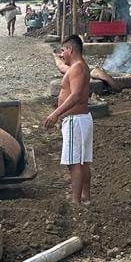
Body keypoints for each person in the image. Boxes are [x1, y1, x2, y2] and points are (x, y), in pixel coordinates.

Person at [45, 34, 93, 205]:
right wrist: (56, 58)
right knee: (82, 161)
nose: (62, 53)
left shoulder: (77, 69)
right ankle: (85, 197)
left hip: (74, 120)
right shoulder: (79, 67)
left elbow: (75, 95)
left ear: (70, 49)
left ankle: (76, 201)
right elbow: (63, 68)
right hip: (80, 119)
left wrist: (55, 114)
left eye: (63, 50)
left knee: (74, 163)